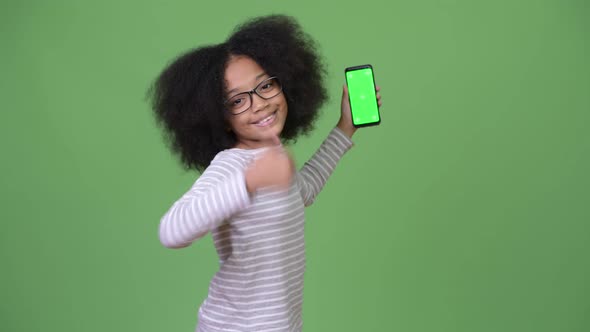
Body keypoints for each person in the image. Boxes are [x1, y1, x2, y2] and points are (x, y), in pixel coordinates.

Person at [149, 15, 382, 332]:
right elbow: (171, 231)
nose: (258, 104)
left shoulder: (274, 158)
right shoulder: (232, 165)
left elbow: (305, 190)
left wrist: (346, 127)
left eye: (266, 85)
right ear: (220, 117)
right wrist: (250, 181)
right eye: (237, 100)